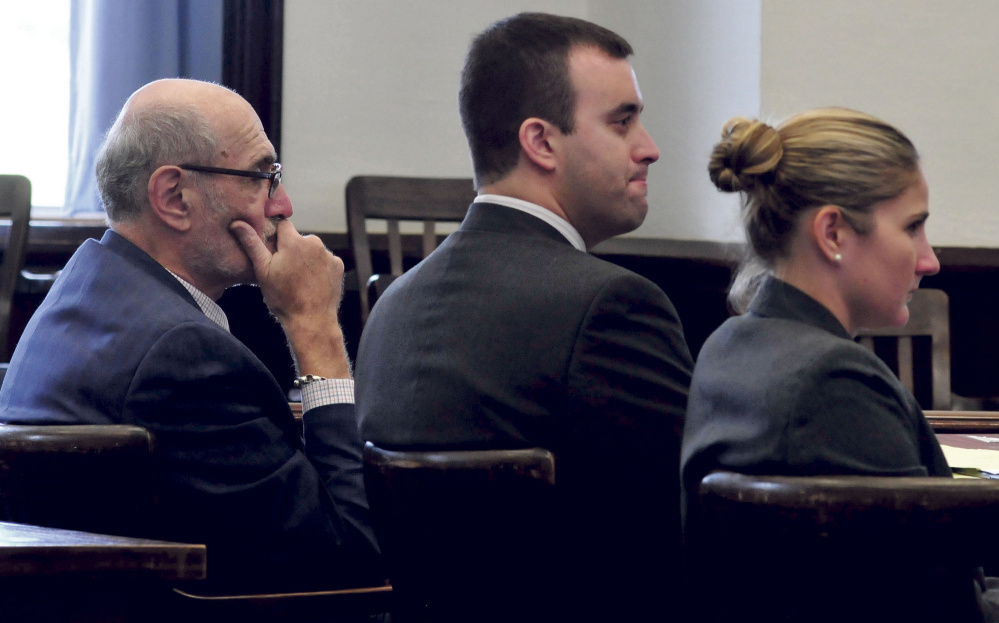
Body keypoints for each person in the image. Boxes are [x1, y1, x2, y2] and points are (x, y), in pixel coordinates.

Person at [355, 12, 693, 621]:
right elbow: (693, 535)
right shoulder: (611, 307)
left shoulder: (394, 305)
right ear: (540, 142)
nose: (649, 147)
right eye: (623, 121)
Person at [0, 79, 381, 594]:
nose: (283, 204)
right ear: (174, 197)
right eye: (261, 177)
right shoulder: (183, 356)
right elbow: (351, 557)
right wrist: (315, 325)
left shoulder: (82, 292)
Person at [680, 108, 997, 621]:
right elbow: (936, 605)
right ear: (832, 233)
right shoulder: (831, 383)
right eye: (912, 227)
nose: (930, 259)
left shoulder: (731, 344)